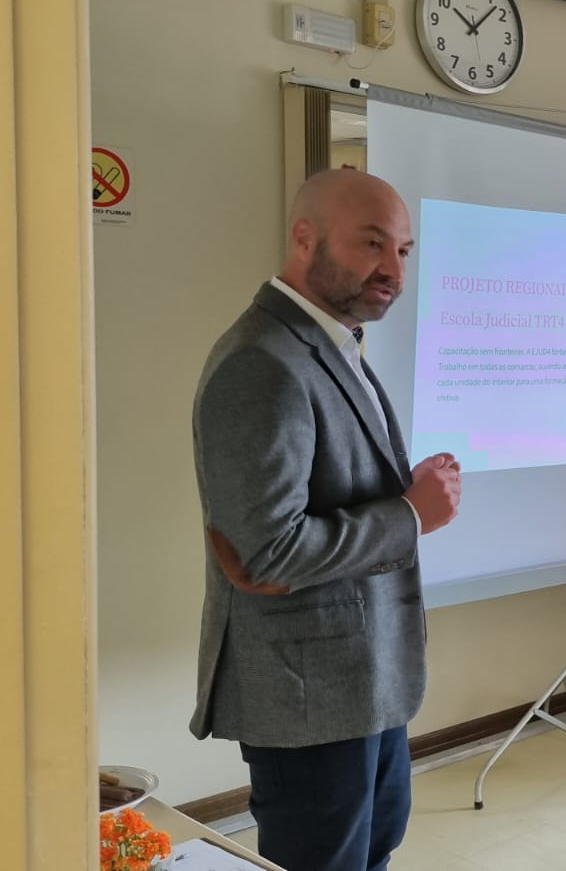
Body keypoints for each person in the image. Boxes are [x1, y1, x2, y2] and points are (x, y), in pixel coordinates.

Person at [190, 168, 463, 870]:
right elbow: (264, 554)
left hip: (365, 681)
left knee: (373, 850)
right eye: (373, 243)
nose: (391, 269)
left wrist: (401, 490)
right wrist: (409, 515)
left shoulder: (330, 344)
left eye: (404, 250)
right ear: (304, 237)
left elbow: (322, 498)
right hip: (307, 697)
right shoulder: (262, 362)